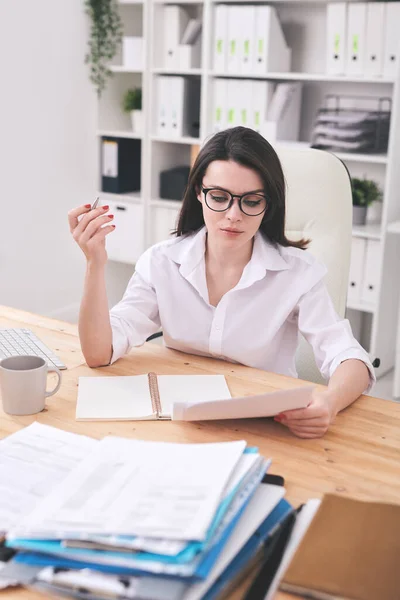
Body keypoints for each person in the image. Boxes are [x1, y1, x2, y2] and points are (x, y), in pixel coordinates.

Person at [68, 127, 374, 438]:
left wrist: (330, 402)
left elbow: (349, 357)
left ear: (269, 204)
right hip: (181, 425)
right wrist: (95, 264)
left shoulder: (298, 273)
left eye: (251, 202)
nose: (233, 215)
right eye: (219, 197)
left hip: (268, 425)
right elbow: (98, 353)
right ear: (199, 193)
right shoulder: (162, 262)